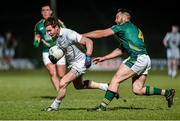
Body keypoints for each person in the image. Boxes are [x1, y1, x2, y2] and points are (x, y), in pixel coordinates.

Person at [82, 8, 175, 111]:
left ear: (124, 17)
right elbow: (121, 49)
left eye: (117, 17)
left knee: (115, 80)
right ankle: (167, 93)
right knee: (138, 89)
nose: (115, 20)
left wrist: (82, 36)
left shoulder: (123, 26)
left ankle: (102, 107)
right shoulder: (134, 29)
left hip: (137, 58)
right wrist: (105, 57)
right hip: (145, 59)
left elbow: (102, 33)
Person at [43, 16, 113, 111]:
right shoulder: (56, 37)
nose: (48, 33)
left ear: (56, 27)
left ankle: (54, 107)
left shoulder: (69, 33)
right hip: (72, 63)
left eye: (49, 30)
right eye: (47, 31)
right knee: (78, 86)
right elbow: (65, 49)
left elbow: (89, 41)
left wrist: (88, 56)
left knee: (63, 83)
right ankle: (106, 86)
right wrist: (56, 57)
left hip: (80, 62)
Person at [33, 4, 66, 91]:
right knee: (52, 73)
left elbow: (65, 32)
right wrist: (36, 42)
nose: (45, 12)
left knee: (61, 74)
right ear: (41, 12)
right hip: (46, 51)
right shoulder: (38, 25)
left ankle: (63, 88)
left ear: (51, 12)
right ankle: (60, 92)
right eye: (43, 10)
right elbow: (37, 36)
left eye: (47, 10)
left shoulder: (57, 22)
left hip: (59, 50)